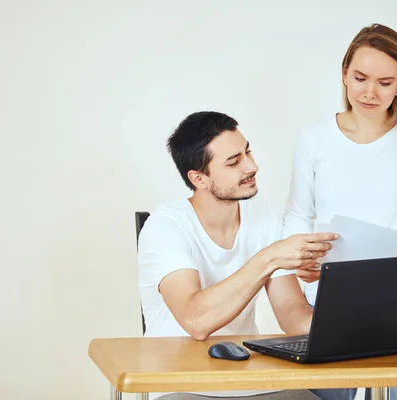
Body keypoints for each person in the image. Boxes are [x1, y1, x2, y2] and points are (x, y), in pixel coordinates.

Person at [283, 23, 397, 400]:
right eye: (360, 77)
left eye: (384, 82)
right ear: (344, 74)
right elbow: (298, 213)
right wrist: (301, 262)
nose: (369, 91)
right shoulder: (315, 139)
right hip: (330, 297)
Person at [138, 111, 351, 400]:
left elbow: (292, 313)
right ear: (199, 178)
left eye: (247, 151)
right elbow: (196, 321)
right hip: (179, 384)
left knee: (335, 389)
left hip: (249, 379)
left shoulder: (262, 217)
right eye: (234, 162)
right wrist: (270, 258)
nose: (252, 165)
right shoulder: (165, 227)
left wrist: (355, 329)